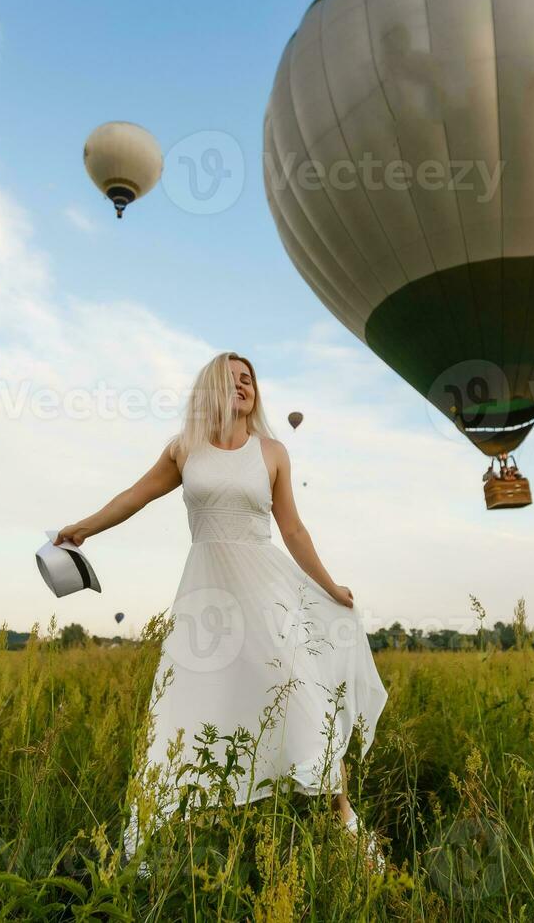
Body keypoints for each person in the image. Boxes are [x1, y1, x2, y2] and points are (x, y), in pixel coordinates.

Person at [54, 352, 388, 869]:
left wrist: (330, 586)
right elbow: (135, 496)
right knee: (190, 705)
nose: (243, 386)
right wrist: (85, 527)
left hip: (268, 593)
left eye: (249, 379)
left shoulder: (272, 451)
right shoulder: (185, 449)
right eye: (232, 379)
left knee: (303, 700)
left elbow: (293, 530)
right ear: (210, 388)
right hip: (206, 599)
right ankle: (156, 851)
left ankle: (350, 832)